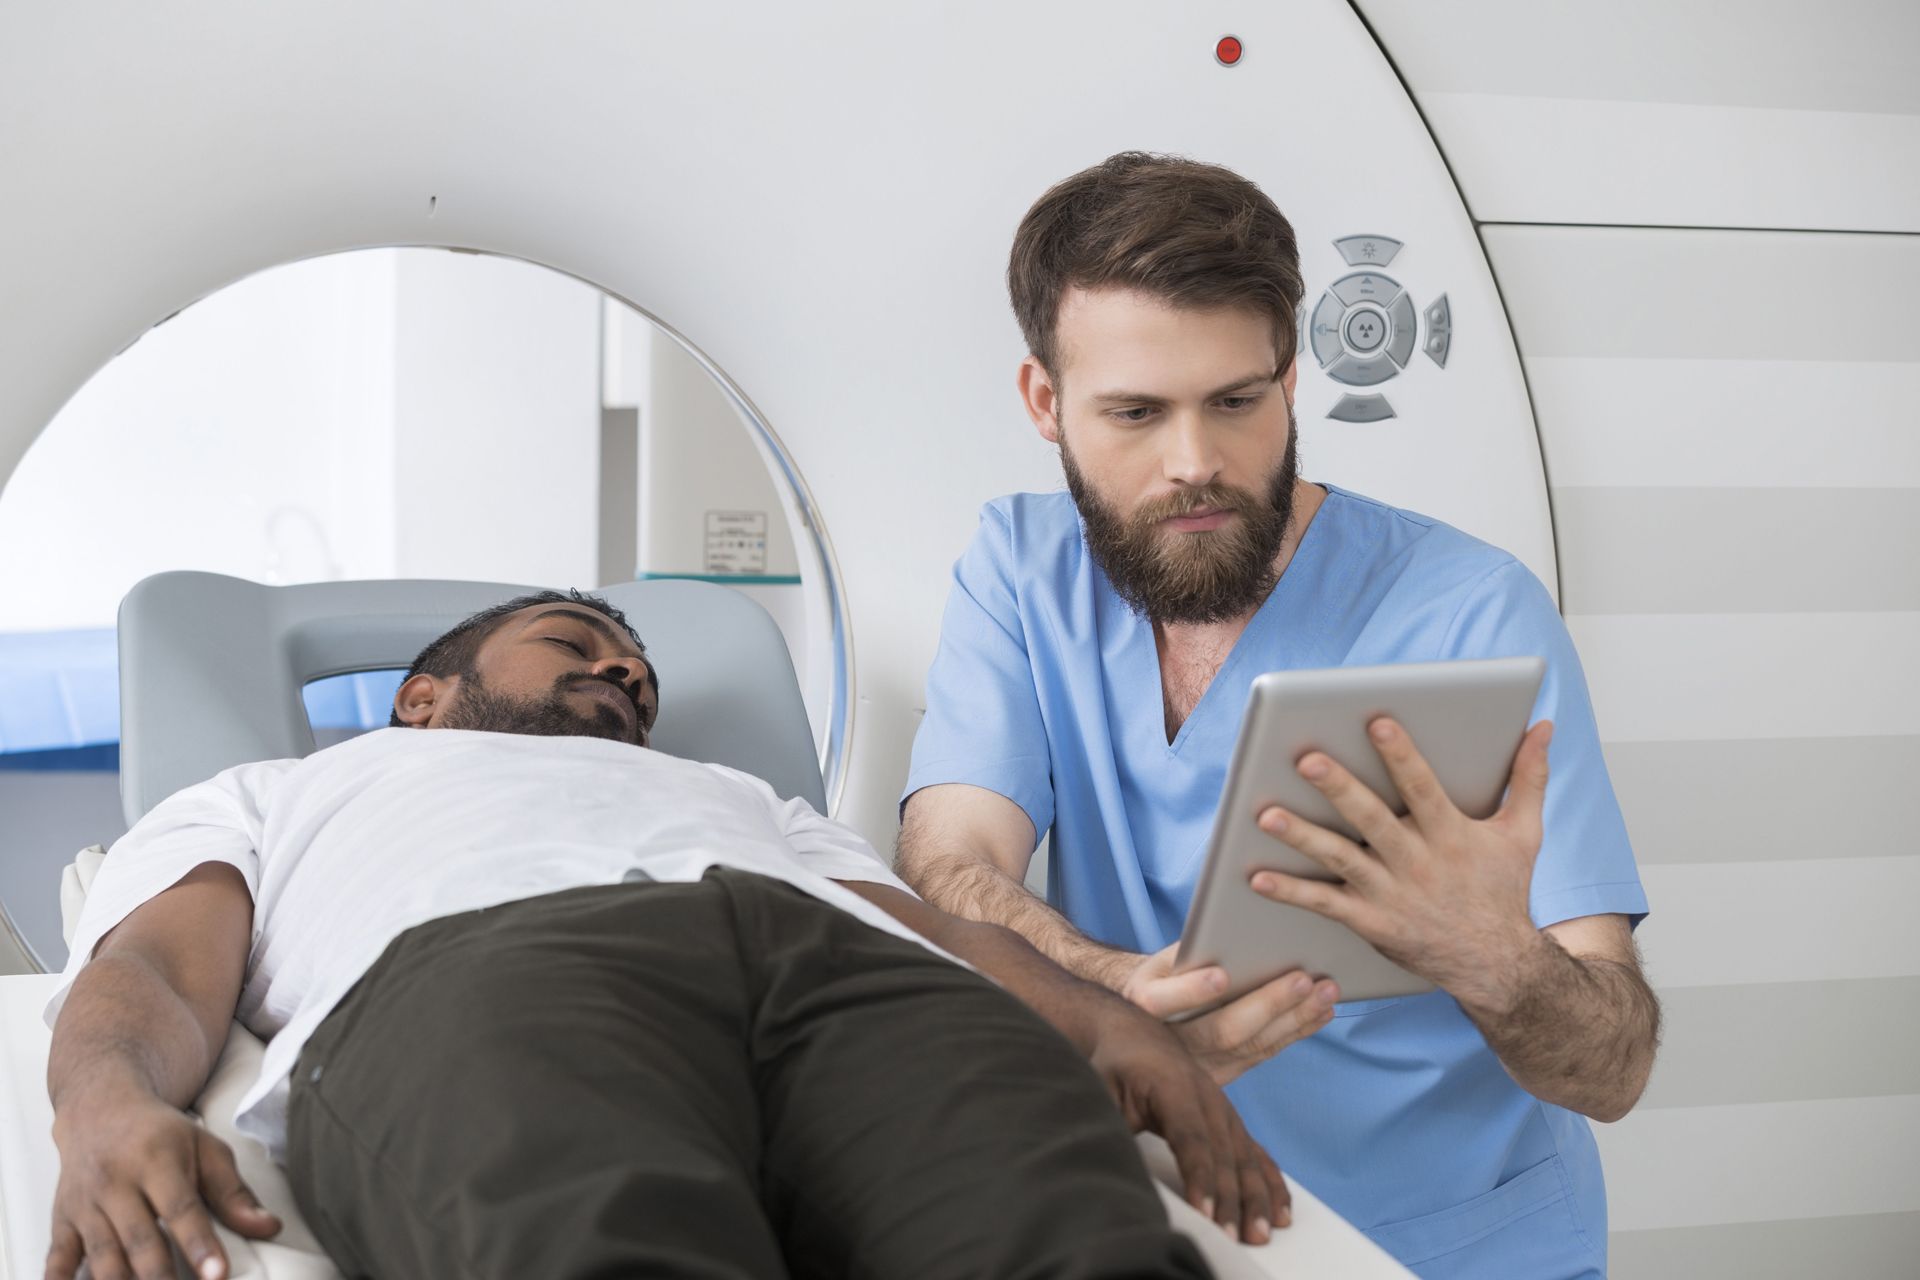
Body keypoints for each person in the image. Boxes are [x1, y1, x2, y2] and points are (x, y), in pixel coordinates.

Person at [895, 152, 1660, 1280]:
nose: (1195, 462)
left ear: (1290, 380)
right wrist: (1115, 991)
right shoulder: (1019, 570)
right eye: (1136, 412)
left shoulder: (1469, 610)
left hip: (1455, 1243)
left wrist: (1489, 953)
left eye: (1236, 401)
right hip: (1166, 1211)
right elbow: (950, 862)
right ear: (1046, 403)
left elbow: (1614, 1070)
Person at [44, 588, 1290, 1280]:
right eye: (572, 644)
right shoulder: (276, 791)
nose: (624, 672)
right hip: (493, 973)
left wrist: (1109, 1025)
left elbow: (932, 931)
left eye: (638, 670)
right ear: (421, 699)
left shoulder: (747, 796)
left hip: (841, 969)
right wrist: (103, 1103)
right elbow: (154, 968)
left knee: (1075, 1244)